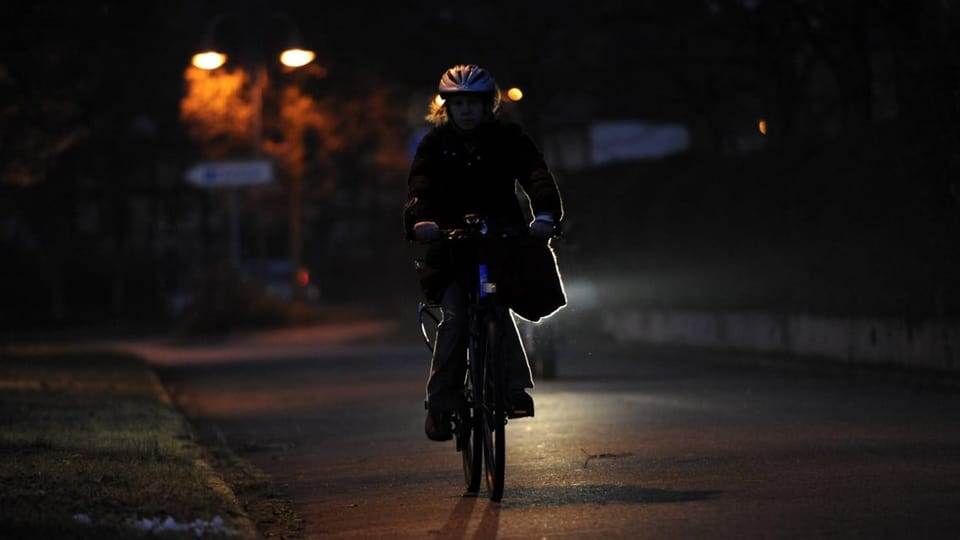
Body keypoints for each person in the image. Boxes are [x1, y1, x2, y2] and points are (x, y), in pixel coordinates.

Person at [403, 64, 566, 441]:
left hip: (500, 240)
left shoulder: (508, 137)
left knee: (497, 305)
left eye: (473, 102)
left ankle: (513, 391)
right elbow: (419, 187)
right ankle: (441, 405)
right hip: (450, 245)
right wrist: (421, 221)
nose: (466, 110)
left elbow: (536, 174)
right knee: (457, 317)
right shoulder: (434, 144)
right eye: (458, 103)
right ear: (446, 106)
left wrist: (544, 213)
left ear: (487, 104)